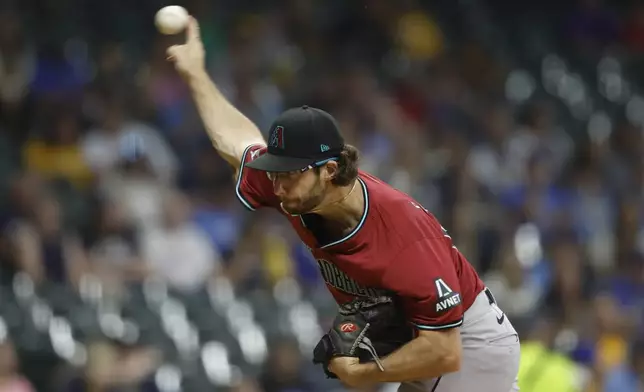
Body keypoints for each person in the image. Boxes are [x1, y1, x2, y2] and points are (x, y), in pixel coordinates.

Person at [166, 16, 521, 392]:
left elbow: (445, 351)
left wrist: (359, 375)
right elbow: (236, 144)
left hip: (468, 344)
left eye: (289, 173)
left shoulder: (400, 232)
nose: (278, 184)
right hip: (422, 343)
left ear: (329, 170)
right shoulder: (297, 189)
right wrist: (195, 75)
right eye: (275, 171)